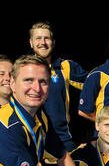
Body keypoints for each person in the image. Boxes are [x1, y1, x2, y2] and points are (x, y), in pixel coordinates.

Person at [29, 21, 88, 153]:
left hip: (63, 143)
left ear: (53, 42)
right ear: (31, 43)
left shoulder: (64, 67)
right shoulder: (21, 69)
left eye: (47, 38)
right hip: (32, 142)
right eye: (38, 38)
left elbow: (98, 81)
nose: (42, 42)